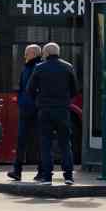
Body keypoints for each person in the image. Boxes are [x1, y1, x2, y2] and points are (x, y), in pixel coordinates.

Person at [27, 41, 78, 185]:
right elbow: (75, 89)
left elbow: (30, 90)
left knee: (46, 144)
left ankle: (47, 177)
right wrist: (65, 100)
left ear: (47, 53)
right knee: (65, 144)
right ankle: (68, 176)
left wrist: (39, 100)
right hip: (62, 110)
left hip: (45, 111)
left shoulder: (39, 68)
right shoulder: (68, 67)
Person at [7, 44, 42, 182]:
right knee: (33, 141)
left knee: (26, 140)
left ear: (33, 53)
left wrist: (23, 101)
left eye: (27, 53)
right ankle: (21, 171)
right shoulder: (29, 67)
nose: (24, 56)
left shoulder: (37, 68)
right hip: (31, 108)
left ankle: (20, 171)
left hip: (32, 109)